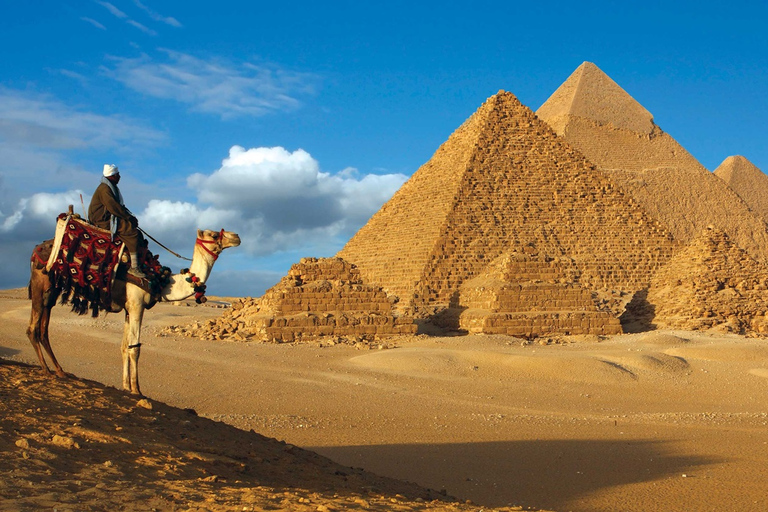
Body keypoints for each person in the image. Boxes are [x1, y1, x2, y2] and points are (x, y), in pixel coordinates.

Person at [88, 164, 145, 277]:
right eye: (117, 175)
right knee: (131, 231)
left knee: (136, 231)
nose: (119, 177)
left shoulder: (110, 187)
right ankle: (134, 267)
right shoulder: (105, 189)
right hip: (102, 220)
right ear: (112, 176)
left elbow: (117, 207)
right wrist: (128, 218)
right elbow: (113, 207)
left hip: (108, 217)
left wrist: (129, 216)